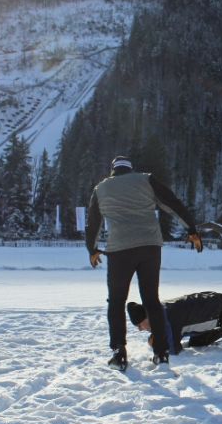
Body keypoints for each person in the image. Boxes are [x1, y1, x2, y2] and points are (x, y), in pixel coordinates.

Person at [85, 155, 203, 370]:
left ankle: (119, 352)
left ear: (113, 171)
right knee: (151, 299)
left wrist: (91, 250)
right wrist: (192, 230)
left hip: (119, 251)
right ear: (130, 170)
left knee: (117, 301)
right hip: (149, 247)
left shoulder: (100, 189)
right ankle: (161, 353)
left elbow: (93, 223)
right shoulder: (145, 179)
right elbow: (173, 204)